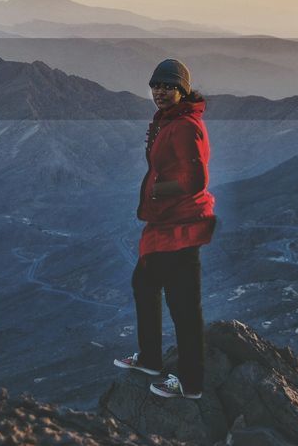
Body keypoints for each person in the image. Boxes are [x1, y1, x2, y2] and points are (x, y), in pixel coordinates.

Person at [113, 58, 216, 399]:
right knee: (143, 282)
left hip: (183, 224)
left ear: (182, 90)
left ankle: (190, 383)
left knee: (184, 304)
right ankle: (151, 359)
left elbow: (196, 179)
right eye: (156, 85)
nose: (160, 91)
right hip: (166, 223)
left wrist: (158, 191)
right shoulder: (168, 121)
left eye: (168, 86)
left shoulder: (186, 126)